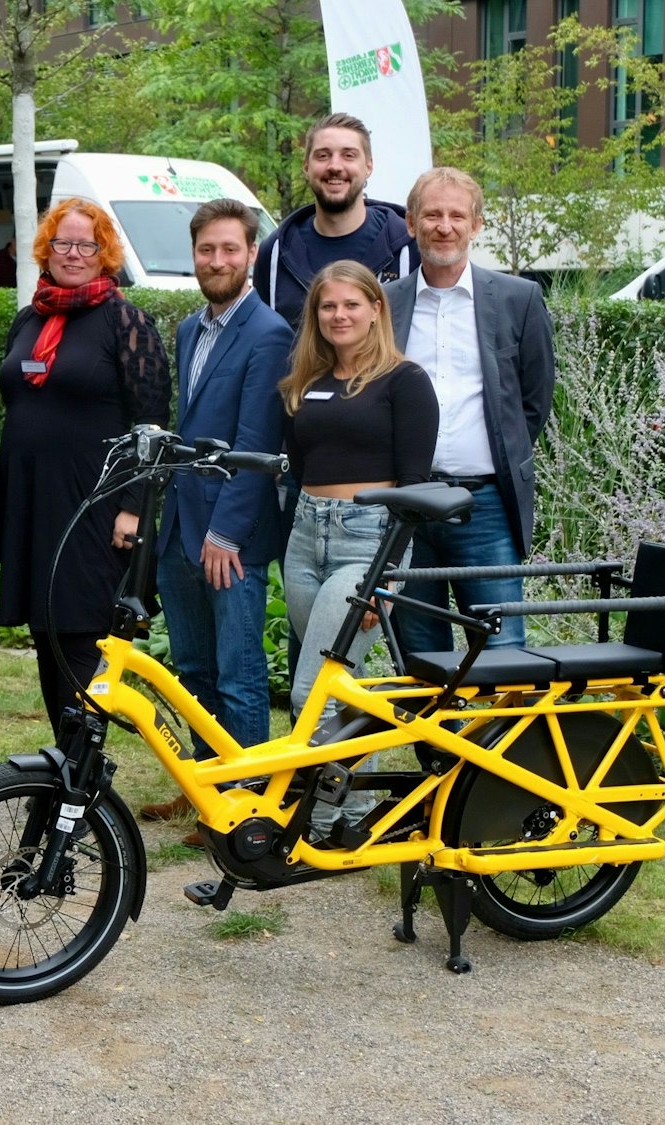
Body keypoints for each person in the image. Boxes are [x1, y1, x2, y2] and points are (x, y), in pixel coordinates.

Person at [143, 199, 294, 839]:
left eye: (230, 248)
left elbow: (256, 443)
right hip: (182, 525)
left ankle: (245, 805)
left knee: (238, 675)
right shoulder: (189, 330)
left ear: (251, 253)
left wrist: (225, 533)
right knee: (193, 672)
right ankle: (205, 789)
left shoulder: (269, 333)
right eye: (207, 249)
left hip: (229, 537)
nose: (217, 260)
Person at [0, 198, 171, 739]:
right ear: (47, 250)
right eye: (62, 243)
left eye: (86, 245)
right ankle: (64, 767)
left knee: (81, 639)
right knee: (46, 637)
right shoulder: (31, 319)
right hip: (33, 506)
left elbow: (152, 424)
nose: (73, 254)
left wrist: (133, 507)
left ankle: (82, 774)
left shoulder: (125, 320)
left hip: (93, 510)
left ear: (104, 253)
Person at [386, 166, 556, 656]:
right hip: (407, 507)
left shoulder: (519, 299)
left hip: (485, 507)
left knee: (504, 654)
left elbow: (534, 401)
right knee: (422, 658)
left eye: (457, 216)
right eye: (432, 215)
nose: (445, 226)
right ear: (411, 223)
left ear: (476, 225)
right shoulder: (385, 303)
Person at [278, 260, 437, 740]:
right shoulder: (306, 383)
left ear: (375, 309)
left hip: (368, 542)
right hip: (305, 540)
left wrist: (384, 575)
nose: (339, 315)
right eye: (328, 306)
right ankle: (355, 788)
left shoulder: (405, 380)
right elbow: (300, 469)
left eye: (351, 304)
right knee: (341, 683)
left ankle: (318, 794)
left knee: (313, 693)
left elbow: (414, 485)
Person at [253, 113, 418, 333]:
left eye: (348, 155)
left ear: (369, 166)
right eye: (323, 156)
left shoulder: (409, 250)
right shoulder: (275, 253)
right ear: (306, 167)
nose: (335, 166)